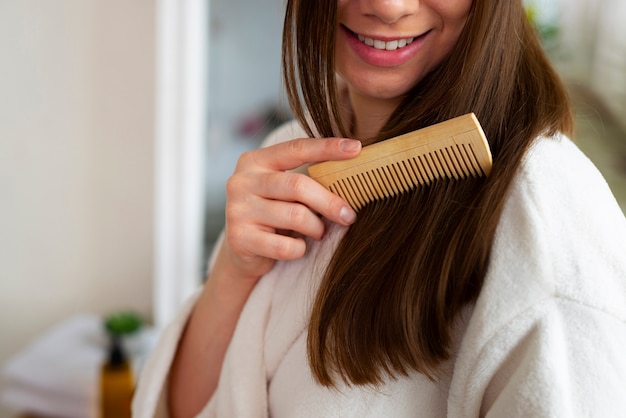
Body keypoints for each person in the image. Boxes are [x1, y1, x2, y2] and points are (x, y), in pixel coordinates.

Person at [133, 0, 626, 416]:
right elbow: (189, 407)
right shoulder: (294, 152)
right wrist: (233, 273)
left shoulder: (547, 224)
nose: (387, 7)